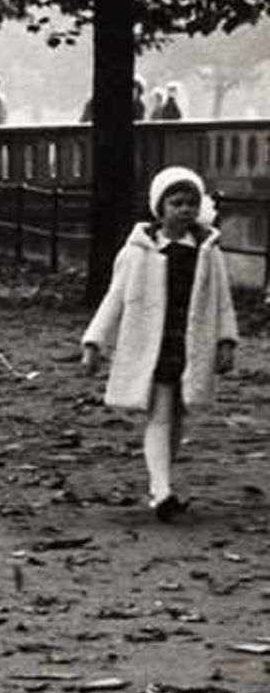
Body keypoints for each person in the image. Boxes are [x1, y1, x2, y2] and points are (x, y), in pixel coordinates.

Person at [81, 166, 238, 523]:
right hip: (152, 343)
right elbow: (115, 297)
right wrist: (95, 342)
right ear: (160, 207)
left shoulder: (208, 250)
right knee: (161, 413)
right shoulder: (138, 251)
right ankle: (163, 489)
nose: (184, 210)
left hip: (190, 342)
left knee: (179, 414)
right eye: (177, 203)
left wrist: (226, 341)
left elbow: (221, 298)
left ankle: (160, 486)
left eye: (191, 203)